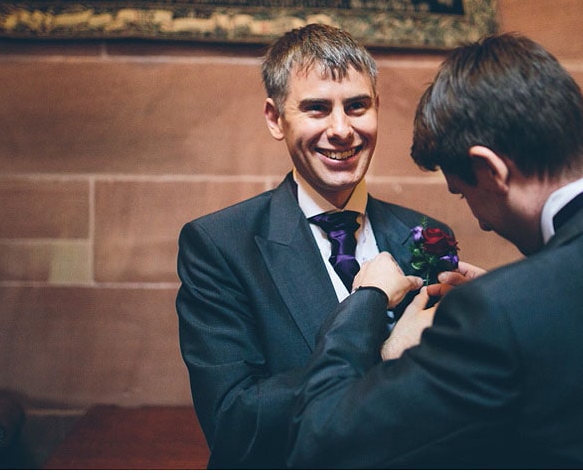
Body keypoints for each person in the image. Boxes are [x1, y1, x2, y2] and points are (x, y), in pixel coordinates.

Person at [287, 33, 583, 469]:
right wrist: (515, 305)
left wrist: (365, 306)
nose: (480, 220)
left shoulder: (500, 312)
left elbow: (323, 440)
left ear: (490, 170)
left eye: (464, 194)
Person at [175, 23, 454, 468]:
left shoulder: (427, 235)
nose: (341, 129)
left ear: (377, 108)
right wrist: (378, 355)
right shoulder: (219, 244)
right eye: (317, 109)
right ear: (275, 119)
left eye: (357, 106)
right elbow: (234, 425)